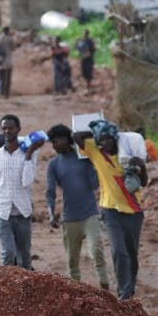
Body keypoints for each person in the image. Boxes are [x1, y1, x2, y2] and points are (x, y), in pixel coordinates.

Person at [84, 119, 147, 301]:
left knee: (131, 253)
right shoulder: (97, 154)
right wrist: (96, 129)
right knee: (118, 251)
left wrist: (141, 165)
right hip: (110, 210)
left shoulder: (128, 155)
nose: (105, 142)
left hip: (134, 211)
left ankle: (130, 287)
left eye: (109, 138)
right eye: (101, 139)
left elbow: (143, 182)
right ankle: (124, 293)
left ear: (115, 138)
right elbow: (76, 136)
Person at [45, 124, 110, 290]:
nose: (54, 145)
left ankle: (104, 285)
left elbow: (95, 184)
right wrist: (51, 213)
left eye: (57, 141)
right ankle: (76, 291)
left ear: (68, 140)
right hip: (69, 217)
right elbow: (50, 191)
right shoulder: (53, 165)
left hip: (90, 214)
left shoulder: (84, 158)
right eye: (52, 142)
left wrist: (93, 165)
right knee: (72, 260)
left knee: (97, 251)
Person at [0, 114, 43, 269]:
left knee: (24, 257)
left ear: (18, 130)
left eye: (10, 128)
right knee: (8, 254)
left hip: (22, 212)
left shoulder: (29, 154)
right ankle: (9, 291)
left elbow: (27, 181)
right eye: (4, 128)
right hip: (2, 212)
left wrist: (30, 154)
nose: (7, 131)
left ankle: (25, 291)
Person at [75, 29, 96, 94]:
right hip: (83, 59)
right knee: (84, 72)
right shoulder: (81, 41)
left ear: (87, 34)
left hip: (89, 60)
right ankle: (86, 86)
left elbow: (93, 49)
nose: (84, 34)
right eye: (83, 33)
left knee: (89, 72)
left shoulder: (90, 41)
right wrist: (76, 42)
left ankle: (88, 87)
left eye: (85, 33)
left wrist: (89, 53)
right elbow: (77, 47)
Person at [0, 27, 15, 99]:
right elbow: (13, 48)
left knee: (1, 78)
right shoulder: (10, 39)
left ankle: (1, 92)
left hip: (0, 60)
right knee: (8, 78)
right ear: (8, 31)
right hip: (8, 60)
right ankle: (6, 94)